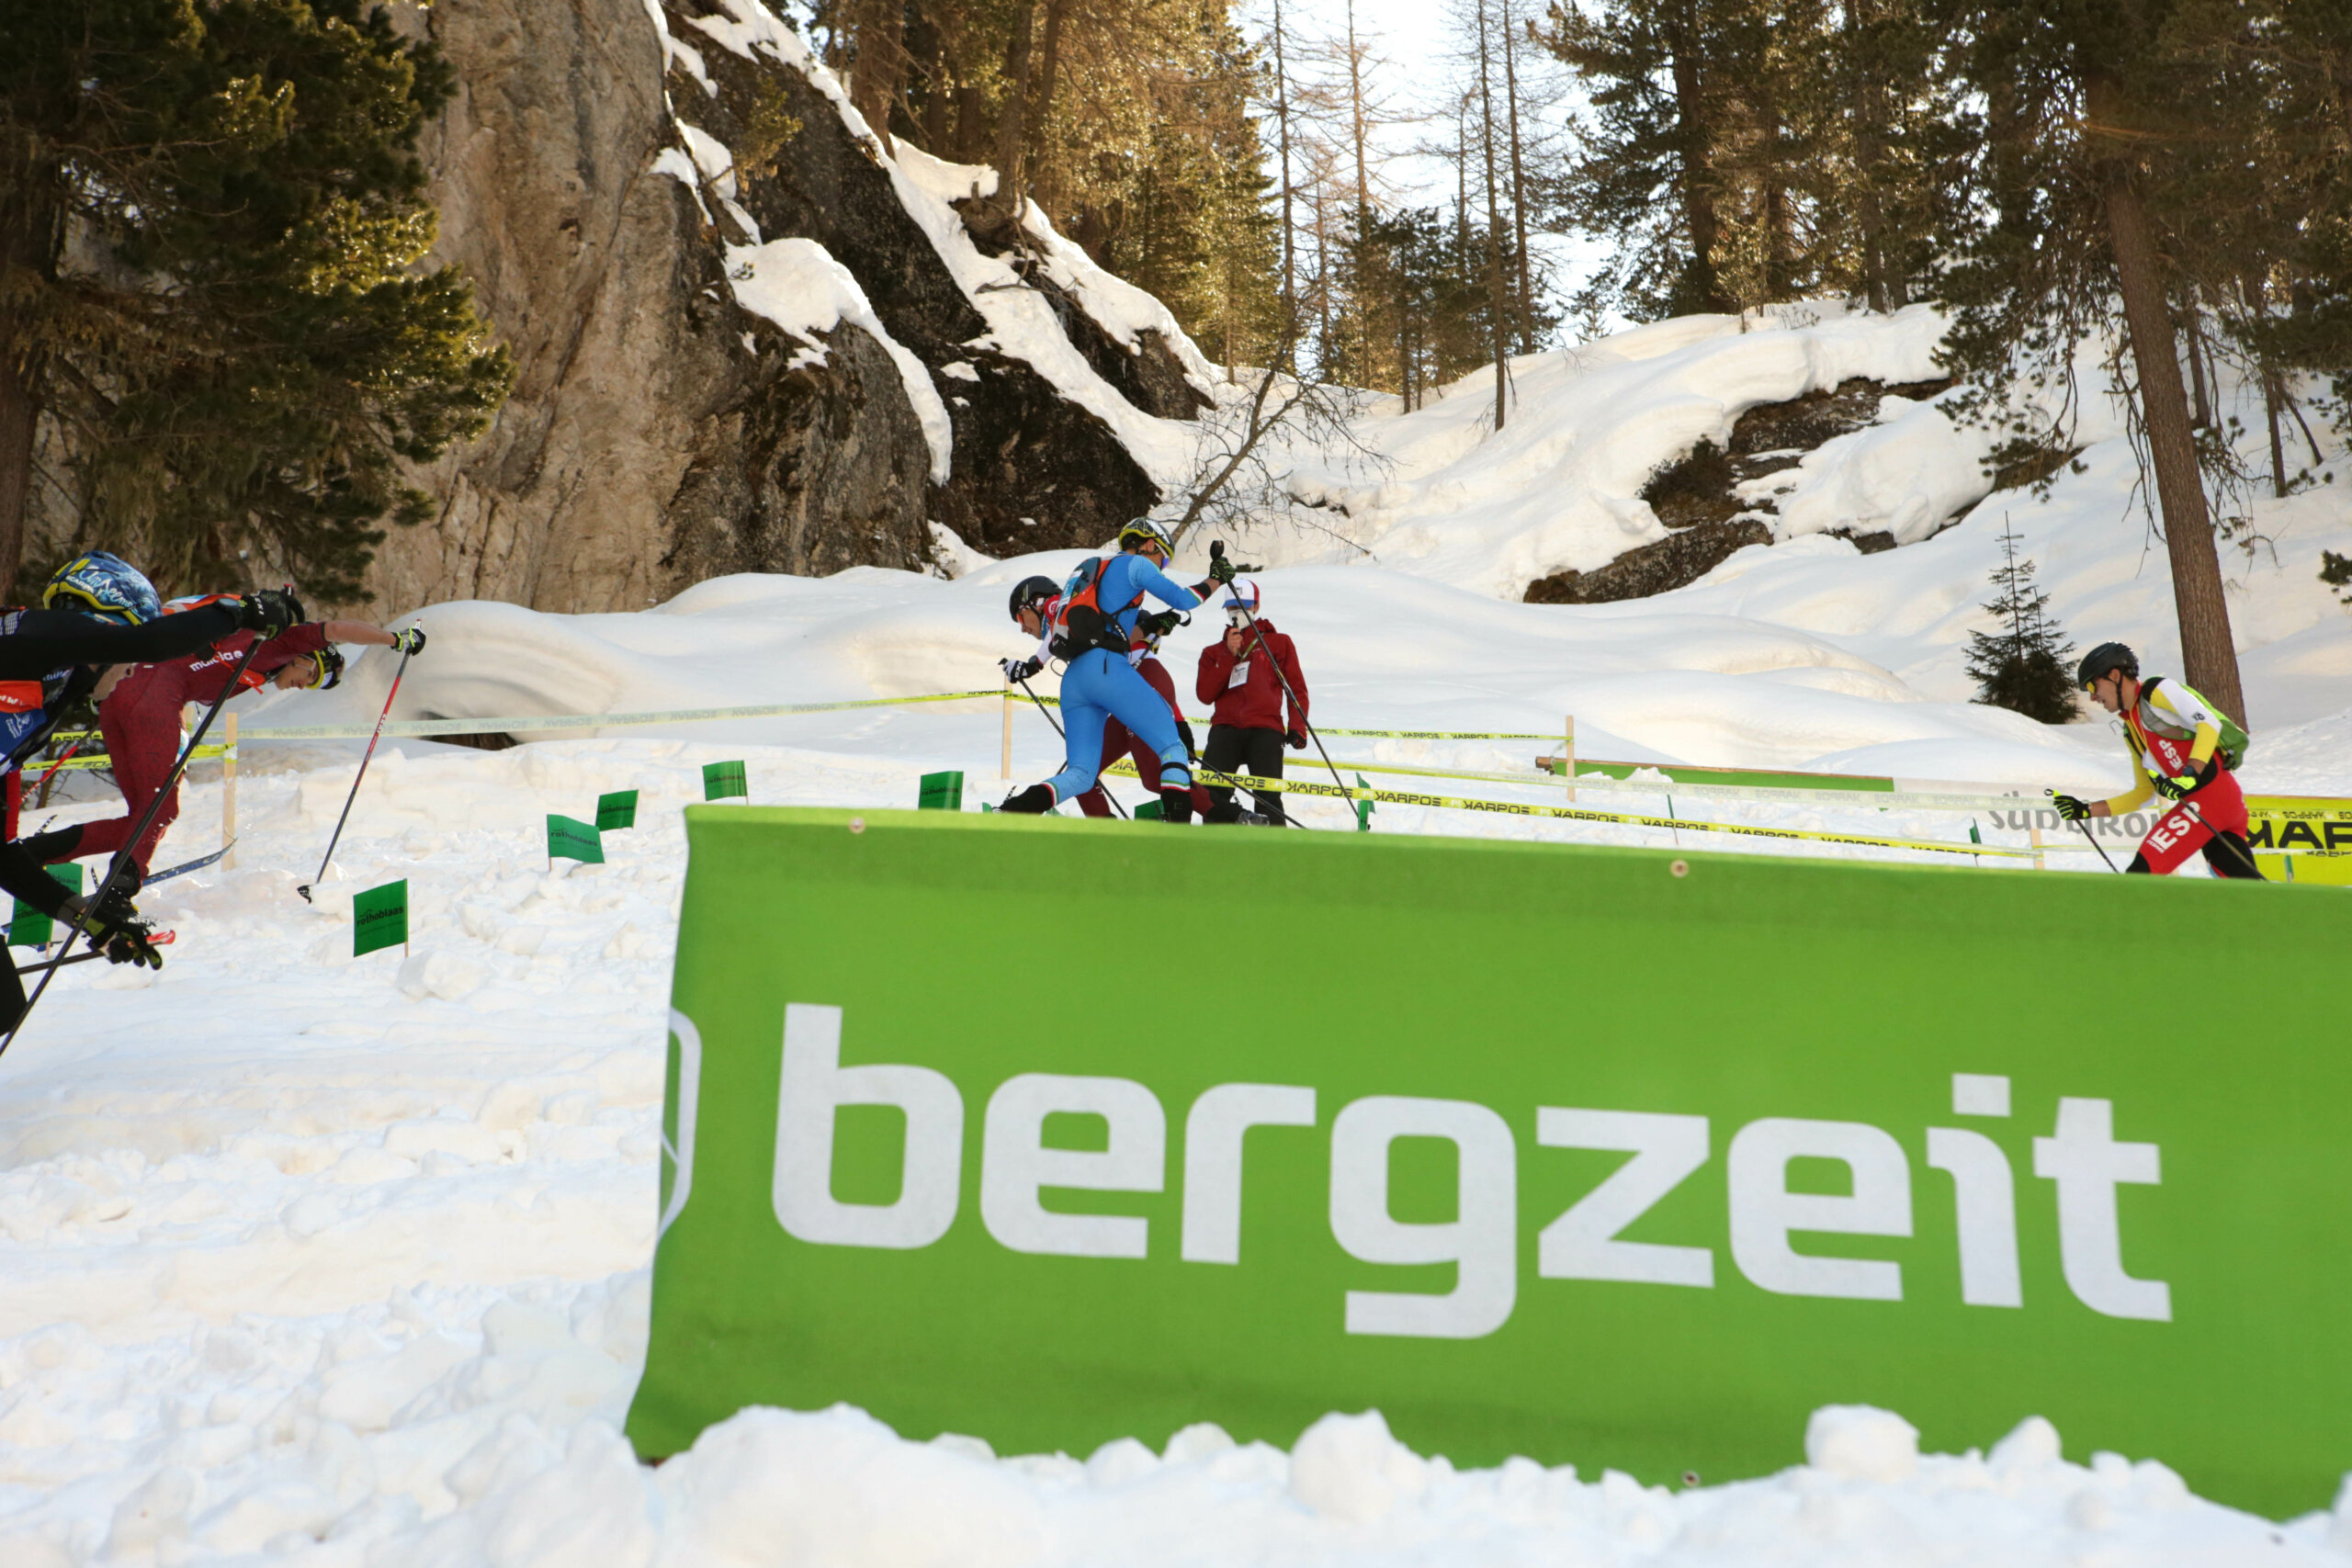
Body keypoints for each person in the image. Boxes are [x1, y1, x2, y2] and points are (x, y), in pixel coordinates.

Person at [0, 553, 303, 1026]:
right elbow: (150, 641)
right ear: (102, 623)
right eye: (129, 659)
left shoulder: (32, 711)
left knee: (6, 1011)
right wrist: (241, 612)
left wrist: (93, 920)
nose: (132, 671)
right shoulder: (28, 637)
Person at [22, 614, 424, 886]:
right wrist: (394, 639)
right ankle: (120, 889)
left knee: (143, 814)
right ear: (304, 656)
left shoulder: (258, 665)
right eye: (312, 675)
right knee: (160, 810)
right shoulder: (283, 640)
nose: (305, 685)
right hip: (151, 692)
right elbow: (337, 628)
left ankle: (31, 855)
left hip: (124, 691)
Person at [998, 520, 1232, 822]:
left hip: (1074, 681)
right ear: (1150, 544)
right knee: (1172, 747)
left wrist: (1033, 664)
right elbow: (1184, 599)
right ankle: (1178, 829)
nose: (1161, 567)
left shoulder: (1090, 569)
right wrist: (1215, 579)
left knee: (1081, 774)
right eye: (1163, 560)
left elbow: (1060, 628)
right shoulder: (1137, 564)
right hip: (1108, 667)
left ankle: (1012, 810)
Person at [2052, 642, 2262, 879]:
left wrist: (2190, 774)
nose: (2092, 696)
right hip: (2220, 805)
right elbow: (2143, 794)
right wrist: (2086, 810)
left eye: (2092, 685)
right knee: (2246, 888)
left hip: (2210, 800)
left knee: (2141, 877)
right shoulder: (2132, 730)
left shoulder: (2156, 691)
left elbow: (2208, 723)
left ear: (2115, 675)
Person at [1193, 580, 1308, 826]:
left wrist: (1298, 726)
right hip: (1225, 728)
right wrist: (1228, 654)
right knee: (1212, 794)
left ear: (1256, 606)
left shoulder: (1279, 643)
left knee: (1268, 797)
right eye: (1231, 607)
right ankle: (1213, 843)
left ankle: (1274, 845)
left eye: (1243, 606)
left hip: (1265, 728)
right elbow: (1205, 695)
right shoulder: (1213, 652)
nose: (1237, 612)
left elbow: (1296, 688)